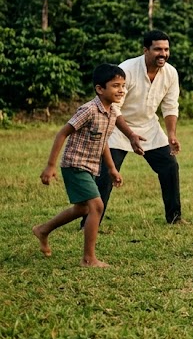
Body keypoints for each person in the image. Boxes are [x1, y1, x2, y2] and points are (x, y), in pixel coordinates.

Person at [33, 65, 127, 267]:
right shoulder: (89, 110)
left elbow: (102, 143)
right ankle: (88, 258)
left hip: (91, 166)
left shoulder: (112, 112)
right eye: (115, 86)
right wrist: (50, 166)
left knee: (83, 208)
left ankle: (43, 230)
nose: (121, 90)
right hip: (75, 163)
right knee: (97, 206)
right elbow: (62, 133)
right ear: (100, 89)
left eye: (123, 86)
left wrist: (111, 169)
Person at [90, 30, 183, 226]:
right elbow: (113, 108)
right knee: (107, 172)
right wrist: (130, 135)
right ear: (146, 50)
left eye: (166, 49)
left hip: (149, 126)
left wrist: (172, 134)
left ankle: (174, 218)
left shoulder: (170, 72)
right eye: (157, 49)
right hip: (117, 126)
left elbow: (170, 105)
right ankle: (90, 222)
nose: (163, 54)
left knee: (170, 166)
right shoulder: (127, 69)